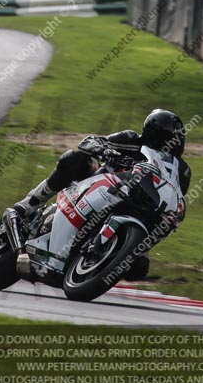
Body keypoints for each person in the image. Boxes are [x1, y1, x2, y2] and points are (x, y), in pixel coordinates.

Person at [14, 109, 191, 280]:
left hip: (138, 209)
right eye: (170, 139)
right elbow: (89, 142)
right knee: (74, 159)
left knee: (139, 268)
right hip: (95, 186)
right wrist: (105, 150)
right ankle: (32, 201)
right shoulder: (131, 140)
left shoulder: (182, 172)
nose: (174, 144)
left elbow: (172, 199)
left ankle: (106, 256)